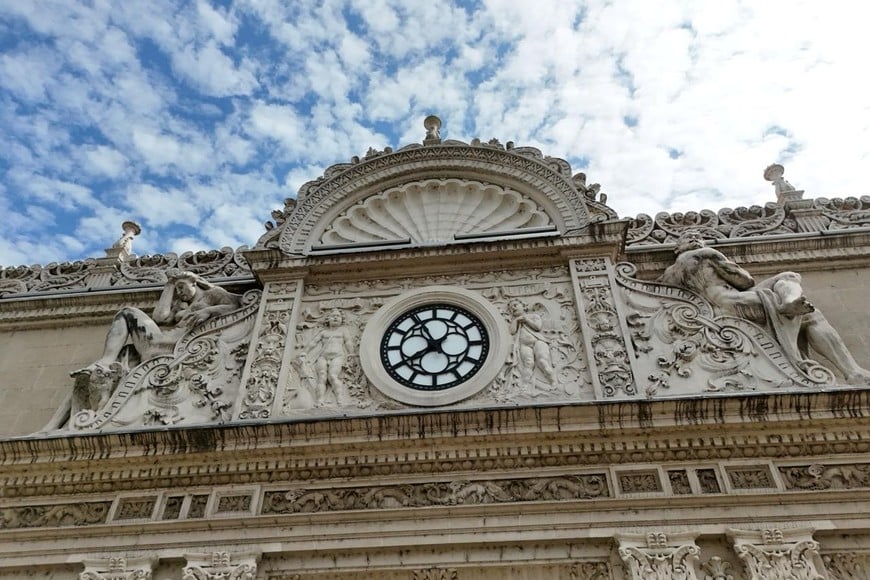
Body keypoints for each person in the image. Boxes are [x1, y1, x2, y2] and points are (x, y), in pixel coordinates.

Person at [659, 230, 870, 384]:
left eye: (697, 236)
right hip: (735, 304)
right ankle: (851, 371)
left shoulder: (668, 275)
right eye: (689, 237)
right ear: (679, 247)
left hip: (709, 314)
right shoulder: (706, 253)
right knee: (796, 291)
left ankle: (789, 302)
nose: (695, 238)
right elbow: (745, 281)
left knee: (788, 287)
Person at [78, 268, 242, 372]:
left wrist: (209, 310)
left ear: (195, 282)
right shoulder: (181, 305)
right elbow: (159, 318)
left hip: (177, 346)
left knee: (128, 312)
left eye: (182, 286)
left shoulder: (213, 294)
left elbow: (238, 306)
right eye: (177, 289)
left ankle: (106, 361)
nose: (179, 291)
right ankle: (106, 362)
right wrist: (169, 286)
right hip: (162, 343)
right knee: (126, 342)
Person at [307, 309, 356, 406]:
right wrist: (305, 352)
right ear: (328, 319)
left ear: (342, 319)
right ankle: (319, 401)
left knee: (333, 376)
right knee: (321, 377)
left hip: (337, 356)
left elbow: (348, 342)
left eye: (338, 316)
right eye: (333, 316)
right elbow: (313, 343)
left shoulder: (343, 331)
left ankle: (339, 400)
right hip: (323, 356)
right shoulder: (323, 332)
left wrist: (351, 354)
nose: (335, 317)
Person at [507, 299, 556, 389]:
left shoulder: (533, 316)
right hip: (524, 345)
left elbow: (537, 327)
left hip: (538, 341)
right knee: (528, 364)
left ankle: (553, 382)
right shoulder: (516, 320)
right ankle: (524, 387)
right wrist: (516, 321)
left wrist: (526, 320)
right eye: (510, 308)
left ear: (524, 305)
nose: (512, 308)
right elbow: (512, 331)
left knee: (542, 361)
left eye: (515, 305)